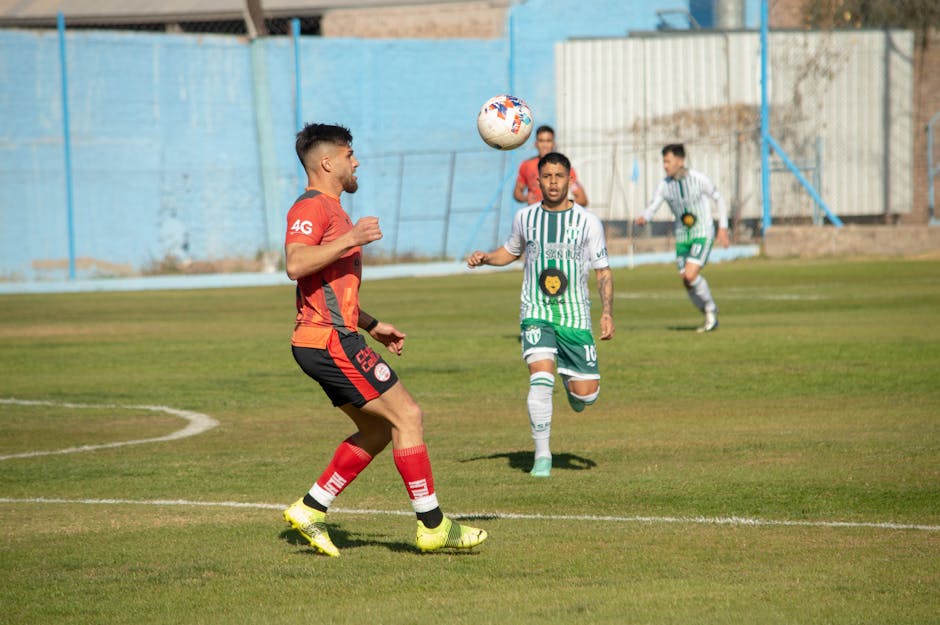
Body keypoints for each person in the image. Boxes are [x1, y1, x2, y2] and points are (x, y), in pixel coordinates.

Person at [282, 123, 487, 556]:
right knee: (408, 416)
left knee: (377, 431)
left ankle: (311, 508)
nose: (356, 162)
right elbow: (296, 264)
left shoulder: (334, 210)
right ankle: (432, 526)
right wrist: (352, 237)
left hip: (332, 337)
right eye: (349, 154)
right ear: (327, 162)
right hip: (328, 341)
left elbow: (329, 287)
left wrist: (371, 324)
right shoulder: (312, 208)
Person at [468, 152, 614, 477]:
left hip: (575, 316)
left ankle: (572, 384)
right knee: (540, 378)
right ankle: (542, 457)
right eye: (546, 176)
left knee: (586, 396)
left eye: (558, 176)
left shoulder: (588, 221)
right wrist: (487, 258)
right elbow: (511, 250)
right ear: (538, 181)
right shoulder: (525, 218)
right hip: (536, 312)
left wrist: (606, 313)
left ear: (569, 179)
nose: (552, 182)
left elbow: (603, 271)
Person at [635, 143, 729, 332]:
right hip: (682, 236)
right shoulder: (664, 185)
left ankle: (710, 308)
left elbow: (718, 198)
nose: (665, 165)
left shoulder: (699, 179)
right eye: (664, 161)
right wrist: (645, 217)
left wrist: (723, 228)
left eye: (668, 161)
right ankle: (709, 314)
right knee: (686, 280)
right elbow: (654, 205)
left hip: (702, 232)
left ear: (680, 161)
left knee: (690, 274)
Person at [514, 125, 588, 207]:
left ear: (553, 144)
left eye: (548, 141)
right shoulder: (527, 165)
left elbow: (582, 199)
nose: (545, 145)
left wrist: (561, 206)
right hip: (537, 217)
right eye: (541, 141)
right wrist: (525, 198)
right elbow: (517, 192)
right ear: (536, 144)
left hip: (557, 217)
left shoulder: (563, 167)